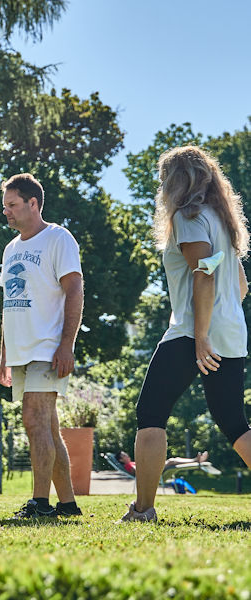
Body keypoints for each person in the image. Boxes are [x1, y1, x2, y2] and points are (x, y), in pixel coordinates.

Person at [122, 146, 251, 523]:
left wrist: (200, 335)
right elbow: (241, 284)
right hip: (230, 332)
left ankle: (143, 510)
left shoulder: (188, 216)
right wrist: (218, 323)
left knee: (150, 414)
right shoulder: (221, 220)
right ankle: (143, 507)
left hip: (194, 335)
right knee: (232, 421)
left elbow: (205, 273)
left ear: (175, 182)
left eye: (164, 179)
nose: (161, 187)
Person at [0, 173, 85, 519]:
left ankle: (40, 504)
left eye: (13, 205)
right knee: (47, 426)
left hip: (48, 348)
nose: (7, 212)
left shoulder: (58, 238)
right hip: (20, 352)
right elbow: (7, 303)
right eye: (5, 206)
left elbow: (75, 290)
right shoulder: (11, 248)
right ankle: (67, 505)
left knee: (34, 420)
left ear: (33, 203)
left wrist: (67, 345)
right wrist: (4, 356)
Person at [116, 450, 209, 476]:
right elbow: (138, 472)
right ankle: (195, 460)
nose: (127, 455)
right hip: (151, 472)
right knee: (172, 461)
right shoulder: (128, 465)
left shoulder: (131, 463)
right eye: (124, 455)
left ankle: (195, 460)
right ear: (121, 460)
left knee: (174, 461)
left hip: (152, 469)